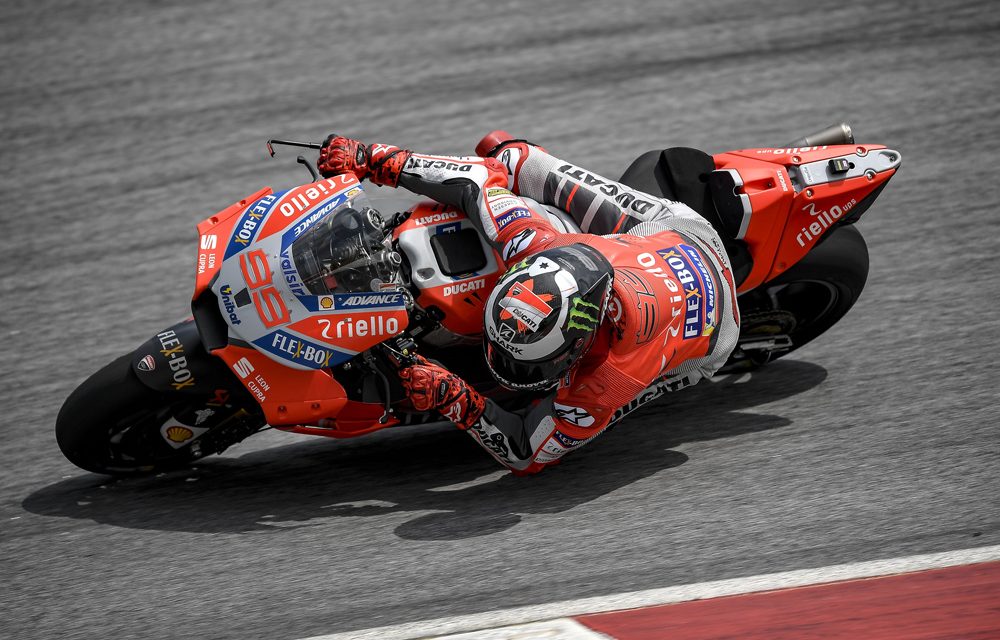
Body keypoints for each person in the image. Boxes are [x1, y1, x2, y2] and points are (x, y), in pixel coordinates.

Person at [316, 132, 740, 475]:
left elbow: (525, 452)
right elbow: (479, 180)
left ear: (579, 347)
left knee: (615, 406)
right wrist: (376, 159)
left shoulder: (606, 381)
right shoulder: (537, 245)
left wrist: (456, 399)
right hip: (671, 237)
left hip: (714, 322)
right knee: (517, 158)